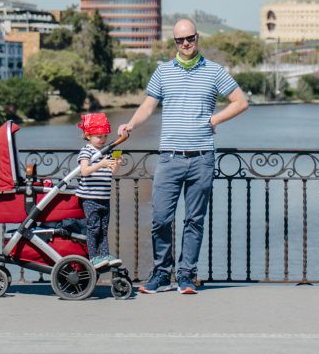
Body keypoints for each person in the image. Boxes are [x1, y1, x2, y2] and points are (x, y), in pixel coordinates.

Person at [118, 19, 248, 294]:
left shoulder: (214, 71)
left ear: (197, 38)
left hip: (202, 157)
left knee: (194, 220)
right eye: (180, 40)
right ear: (174, 42)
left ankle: (186, 274)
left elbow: (241, 101)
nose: (186, 44)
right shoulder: (163, 72)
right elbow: (147, 106)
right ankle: (162, 273)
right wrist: (131, 125)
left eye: (190, 38)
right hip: (170, 158)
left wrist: (214, 119)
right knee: (161, 218)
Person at [76, 112, 121, 270]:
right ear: (88, 136)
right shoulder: (86, 151)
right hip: (89, 197)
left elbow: (112, 172)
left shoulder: (107, 151)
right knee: (93, 227)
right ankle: (93, 256)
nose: (102, 140)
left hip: (104, 196)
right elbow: (84, 171)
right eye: (98, 137)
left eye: (104, 137)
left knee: (103, 227)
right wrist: (100, 164)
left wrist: (116, 163)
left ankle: (105, 254)